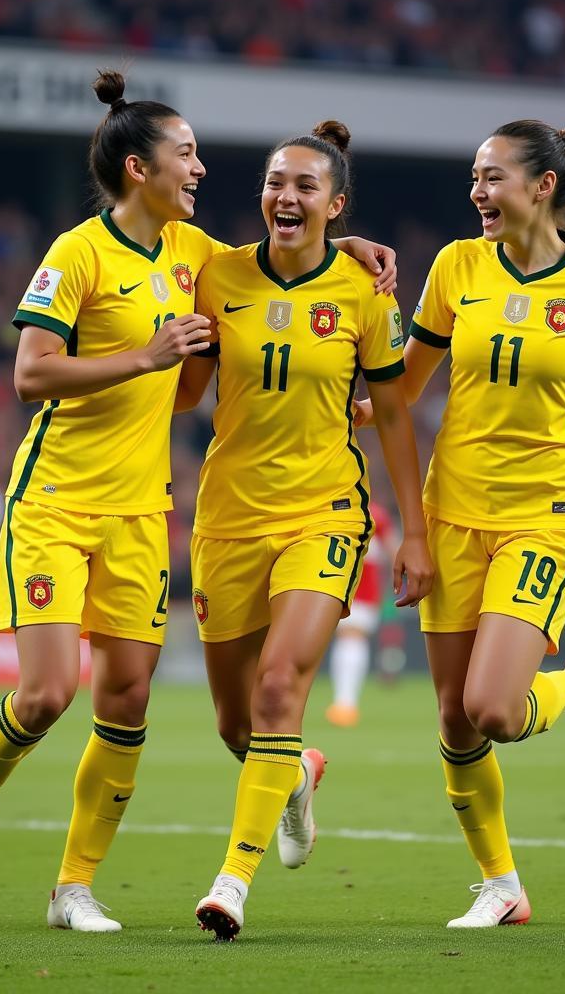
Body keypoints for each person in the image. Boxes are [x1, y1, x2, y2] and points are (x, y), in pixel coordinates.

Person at [0, 72, 398, 933]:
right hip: (57, 499)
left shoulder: (196, 255)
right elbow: (30, 374)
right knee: (45, 695)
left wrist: (354, 244)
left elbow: (285, 264)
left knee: (127, 703)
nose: (202, 169)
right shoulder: (77, 253)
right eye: (188, 155)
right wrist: (143, 357)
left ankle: (73, 889)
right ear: (140, 168)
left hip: (143, 512)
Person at [358, 119, 565, 928]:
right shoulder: (455, 266)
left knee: (494, 710)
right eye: (473, 176)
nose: (476, 192)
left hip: (542, 513)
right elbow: (409, 383)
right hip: (452, 508)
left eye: (491, 177)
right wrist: (342, 403)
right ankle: (501, 883)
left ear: (543, 186)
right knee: (454, 720)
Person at [175, 120, 434, 941]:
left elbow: (392, 414)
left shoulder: (365, 292)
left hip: (324, 509)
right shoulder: (215, 276)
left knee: (282, 685)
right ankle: (294, 773)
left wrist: (416, 535)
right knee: (236, 724)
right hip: (226, 518)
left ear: (335, 204)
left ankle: (232, 883)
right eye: (275, 183)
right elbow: (186, 397)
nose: (285, 197)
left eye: (305, 186)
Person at [325, 499, 396, 726]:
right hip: (344, 584)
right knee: (349, 638)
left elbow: (393, 551)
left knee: (351, 637)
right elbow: (394, 551)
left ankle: (345, 704)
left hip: (353, 585)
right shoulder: (377, 514)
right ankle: (344, 703)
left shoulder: (373, 514)